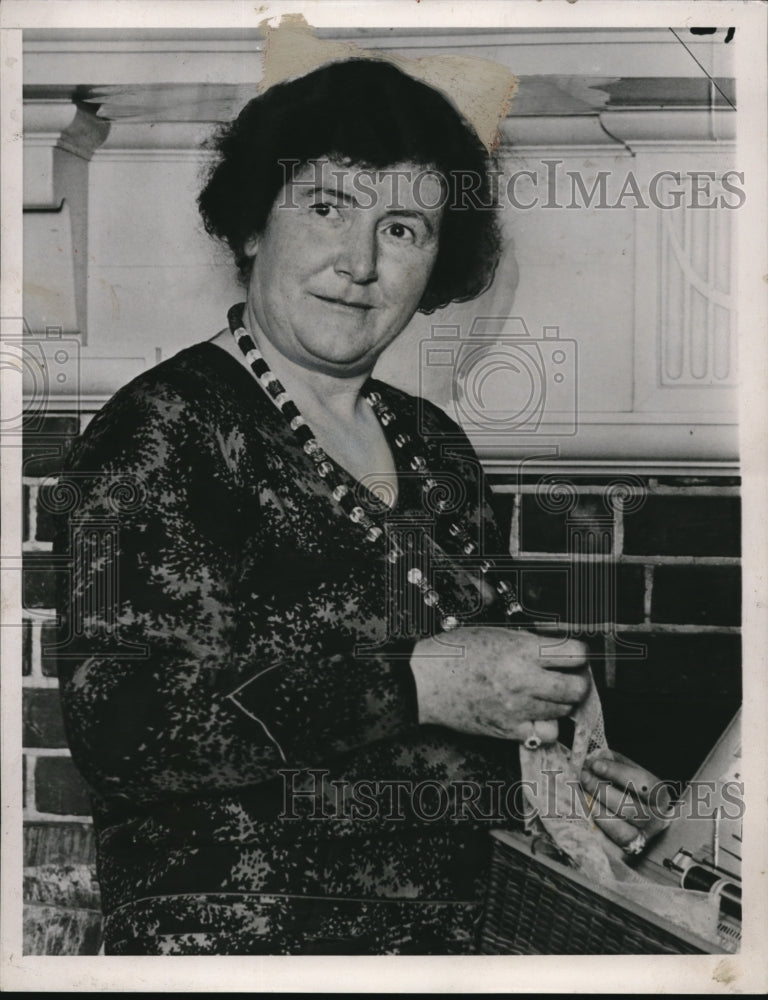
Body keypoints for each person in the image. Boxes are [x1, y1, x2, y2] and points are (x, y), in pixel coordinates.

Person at [53, 58, 667, 955]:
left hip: (454, 943)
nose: (361, 263)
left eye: (405, 228)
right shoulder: (160, 431)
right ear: (256, 223)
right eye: (328, 207)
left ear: (437, 257)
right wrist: (418, 680)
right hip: (247, 952)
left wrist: (558, 775)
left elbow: (459, 711)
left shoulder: (435, 445)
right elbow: (124, 732)